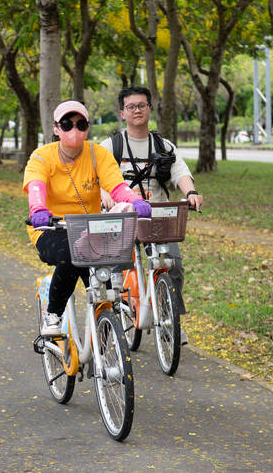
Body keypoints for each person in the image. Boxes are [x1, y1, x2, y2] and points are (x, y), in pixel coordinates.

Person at [23, 100, 152, 336]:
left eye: (80, 124)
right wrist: (38, 210)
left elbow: (117, 187)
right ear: (56, 128)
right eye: (66, 123)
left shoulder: (97, 154)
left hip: (90, 228)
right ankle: (53, 314)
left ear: (87, 128)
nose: (74, 129)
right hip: (51, 228)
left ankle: (104, 334)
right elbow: (36, 187)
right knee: (70, 256)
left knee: (102, 283)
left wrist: (134, 200)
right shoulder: (42, 156)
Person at [100, 86, 204, 345]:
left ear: (149, 109)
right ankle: (109, 323)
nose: (137, 110)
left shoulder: (164, 146)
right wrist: (105, 194)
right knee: (112, 273)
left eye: (142, 105)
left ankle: (172, 320)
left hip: (157, 217)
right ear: (122, 112)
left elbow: (180, 173)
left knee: (173, 265)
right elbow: (97, 177)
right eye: (131, 107)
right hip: (121, 218)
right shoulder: (110, 146)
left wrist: (191, 192)